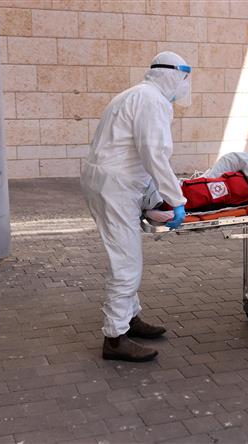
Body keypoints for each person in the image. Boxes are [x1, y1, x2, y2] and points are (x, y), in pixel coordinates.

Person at [80, 51, 192, 362]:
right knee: (127, 263)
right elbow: (154, 155)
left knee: (127, 256)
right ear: (172, 75)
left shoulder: (137, 94)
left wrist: (153, 198)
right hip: (114, 188)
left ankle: (129, 318)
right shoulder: (152, 101)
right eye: (184, 77)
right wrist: (177, 200)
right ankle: (115, 338)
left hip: (111, 183)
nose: (185, 85)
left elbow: (139, 156)